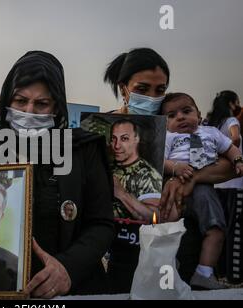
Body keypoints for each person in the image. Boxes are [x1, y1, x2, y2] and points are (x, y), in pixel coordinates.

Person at [0, 51, 115, 298]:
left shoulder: (83, 150)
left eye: (42, 104)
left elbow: (102, 223)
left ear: (57, 106)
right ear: (6, 100)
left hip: (69, 292)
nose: (29, 111)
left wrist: (68, 268)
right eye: (20, 101)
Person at [103, 48, 235, 220]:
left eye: (159, 90)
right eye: (142, 89)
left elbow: (230, 166)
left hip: (167, 232)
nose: (152, 97)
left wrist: (189, 177)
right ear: (123, 89)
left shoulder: (177, 127)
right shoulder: (100, 128)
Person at [162, 92, 243, 289]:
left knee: (216, 228)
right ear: (165, 123)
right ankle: (170, 264)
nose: (180, 117)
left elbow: (230, 148)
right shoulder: (169, 137)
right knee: (167, 231)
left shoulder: (211, 132)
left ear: (198, 115)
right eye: (172, 115)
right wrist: (175, 167)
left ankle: (204, 273)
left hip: (204, 189)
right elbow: (160, 161)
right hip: (175, 186)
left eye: (186, 111)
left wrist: (238, 159)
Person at [207, 90, 243, 284]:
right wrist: (229, 154)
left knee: (218, 228)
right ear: (231, 103)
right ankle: (233, 275)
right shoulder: (231, 121)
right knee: (234, 230)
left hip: (217, 183)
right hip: (234, 182)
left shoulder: (212, 123)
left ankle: (218, 272)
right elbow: (235, 138)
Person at [110, 119, 162, 221]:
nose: (116, 146)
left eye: (124, 139)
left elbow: (154, 218)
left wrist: (122, 194)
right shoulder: (108, 167)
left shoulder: (149, 176)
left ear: (136, 139)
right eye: (114, 139)